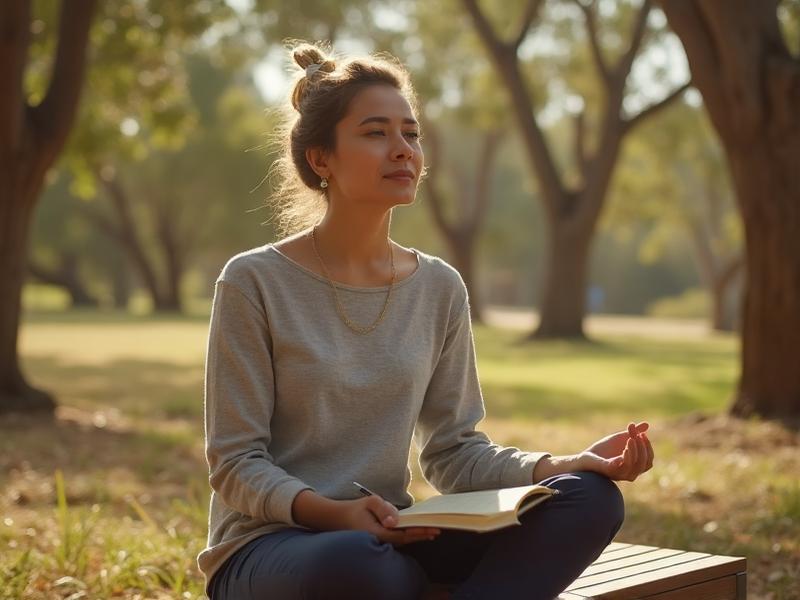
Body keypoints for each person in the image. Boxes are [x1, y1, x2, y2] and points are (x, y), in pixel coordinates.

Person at [199, 41, 654, 600]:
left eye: (410, 133)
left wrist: (560, 463)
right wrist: (335, 514)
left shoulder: (438, 287)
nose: (402, 150)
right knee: (363, 567)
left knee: (590, 497)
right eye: (375, 133)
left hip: (390, 535)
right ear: (322, 159)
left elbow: (453, 451)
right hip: (274, 548)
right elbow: (235, 462)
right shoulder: (253, 281)